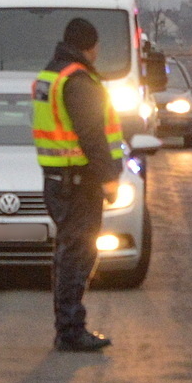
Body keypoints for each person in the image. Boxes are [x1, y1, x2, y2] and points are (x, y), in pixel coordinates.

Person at [32, 18, 124, 352]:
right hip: (78, 182)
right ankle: (71, 330)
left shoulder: (51, 74)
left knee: (68, 253)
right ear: (90, 46)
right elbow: (92, 135)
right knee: (77, 255)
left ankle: (68, 326)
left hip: (58, 179)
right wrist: (109, 178)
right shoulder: (78, 80)